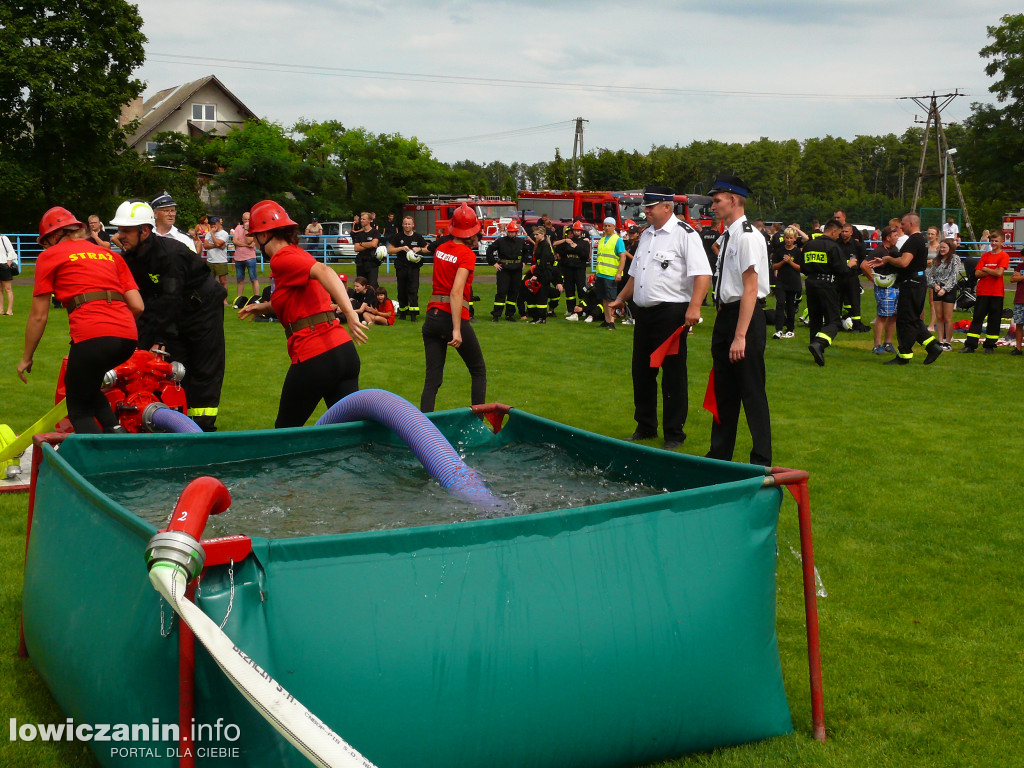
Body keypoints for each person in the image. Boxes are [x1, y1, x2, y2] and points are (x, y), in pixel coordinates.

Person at [239, 200, 367, 428]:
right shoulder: (296, 254)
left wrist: (351, 313)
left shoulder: (282, 258)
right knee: (348, 434)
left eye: (255, 235)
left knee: (285, 434)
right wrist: (265, 306)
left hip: (314, 355)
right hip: (343, 351)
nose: (254, 240)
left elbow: (325, 271)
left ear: (265, 234)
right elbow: (295, 298)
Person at [17, 207, 143, 433]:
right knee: (88, 386)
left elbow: (39, 316)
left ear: (55, 235)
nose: (45, 247)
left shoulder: (50, 256)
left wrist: (26, 357)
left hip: (91, 335)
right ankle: (117, 433)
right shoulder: (111, 256)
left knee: (78, 409)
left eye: (46, 242)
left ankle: (99, 465)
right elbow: (137, 305)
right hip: (127, 337)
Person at [606, 186, 711, 451]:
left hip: (672, 313)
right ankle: (645, 426)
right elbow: (635, 275)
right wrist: (621, 298)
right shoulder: (647, 235)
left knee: (673, 375)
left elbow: (702, 275)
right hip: (644, 314)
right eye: (646, 206)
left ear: (667, 207)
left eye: (651, 206)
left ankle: (674, 433)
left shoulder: (685, 235)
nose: (646, 210)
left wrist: (694, 308)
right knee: (641, 372)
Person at [112, 199, 227, 430]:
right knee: (173, 369)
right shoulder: (130, 259)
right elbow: (140, 302)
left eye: (126, 231)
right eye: (119, 230)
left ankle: (203, 427)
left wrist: (161, 339)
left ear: (144, 230)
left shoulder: (171, 254)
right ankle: (170, 421)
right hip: (175, 312)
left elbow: (170, 298)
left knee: (203, 370)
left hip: (203, 312)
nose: (120, 236)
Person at [705, 174, 772, 467]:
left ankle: (760, 459)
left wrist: (740, 335)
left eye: (717, 200)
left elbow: (750, 288)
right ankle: (719, 455)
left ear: (734, 200)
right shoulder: (729, 236)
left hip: (745, 317)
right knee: (723, 391)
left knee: (751, 390)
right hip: (728, 315)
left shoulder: (746, 236)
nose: (712, 206)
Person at [420, 203, 486, 413]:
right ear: (473, 231)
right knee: (478, 370)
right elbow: (456, 292)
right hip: (451, 316)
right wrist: (456, 329)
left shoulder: (440, 249)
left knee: (433, 379)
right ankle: (477, 425)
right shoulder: (467, 255)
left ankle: (422, 431)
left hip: (432, 316)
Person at [865, 213, 942, 365]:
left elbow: (904, 262)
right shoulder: (921, 240)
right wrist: (886, 262)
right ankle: (932, 347)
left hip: (912, 284)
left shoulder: (914, 240)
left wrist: (887, 259)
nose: (901, 227)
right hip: (916, 283)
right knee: (913, 319)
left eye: (903, 224)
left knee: (905, 320)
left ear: (911, 224)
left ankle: (905, 354)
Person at [803, 219, 847, 366]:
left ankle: (816, 350)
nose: (839, 236)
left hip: (810, 283)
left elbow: (803, 267)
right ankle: (819, 344)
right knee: (834, 321)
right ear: (833, 231)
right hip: (827, 284)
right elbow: (841, 270)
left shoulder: (809, 245)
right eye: (839, 233)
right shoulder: (833, 247)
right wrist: (850, 265)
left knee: (815, 319)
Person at [962, 232, 1009, 354]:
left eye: (996, 241)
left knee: (994, 319)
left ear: (1001, 242)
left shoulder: (1004, 256)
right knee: (977, 317)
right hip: (983, 291)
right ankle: (970, 345)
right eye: (992, 241)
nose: (993, 243)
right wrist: (994, 270)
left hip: (997, 292)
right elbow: (977, 273)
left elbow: (1000, 273)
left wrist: (986, 269)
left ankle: (990, 345)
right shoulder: (985, 256)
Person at [861, 225, 900, 355]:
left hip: (895, 285)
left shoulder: (894, 249)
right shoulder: (878, 251)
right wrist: (874, 279)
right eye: (895, 236)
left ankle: (888, 343)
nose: (897, 237)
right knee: (882, 315)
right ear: (888, 237)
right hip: (884, 287)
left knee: (894, 315)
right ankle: (877, 345)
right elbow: (864, 265)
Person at [485, 221, 528, 322]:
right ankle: (496, 314)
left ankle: (509, 314)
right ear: (507, 231)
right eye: (510, 232)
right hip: (504, 269)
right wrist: (493, 263)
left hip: (517, 269)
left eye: (514, 232)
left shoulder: (520, 242)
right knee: (501, 292)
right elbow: (489, 250)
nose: (512, 234)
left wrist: (524, 262)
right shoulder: (500, 241)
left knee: (513, 293)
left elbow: (526, 252)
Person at [388, 214, 428, 320]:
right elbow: (390, 250)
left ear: (413, 225)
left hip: (414, 267)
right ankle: (402, 312)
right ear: (402, 225)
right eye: (405, 224)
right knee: (401, 290)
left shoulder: (418, 237)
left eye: (409, 224)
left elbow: (427, 249)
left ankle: (413, 314)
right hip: (401, 267)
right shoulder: (398, 236)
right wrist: (401, 248)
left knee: (413, 289)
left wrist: (418, 249)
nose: (407, 226)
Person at [926, 238, 963, 351]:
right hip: (937, 289)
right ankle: (940, 340)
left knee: (947, 317)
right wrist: (935, 285)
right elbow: (929, 275)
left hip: (949, 290)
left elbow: (954, 275)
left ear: (950, 248)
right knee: (939, 317)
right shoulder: (936, 259)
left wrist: (945, 289)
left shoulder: (955, 259)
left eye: (944, 247)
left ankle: (948, 342)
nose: (942, 249)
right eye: (940, 247)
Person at [771, 227, 802, 339]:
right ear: (784, 238)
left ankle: (790, 329)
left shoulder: (797, 252)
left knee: (790, 306)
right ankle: (778, 330)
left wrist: (790, 262)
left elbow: (800, 268)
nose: (788, 240)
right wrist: (783, 262)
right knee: (780, 304)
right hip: (781, 281)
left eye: (791, 238)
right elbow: (774, 266)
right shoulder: (779, 251)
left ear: (795, 239)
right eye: (787, 238)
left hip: (793, 282)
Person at [837, 223, 869, 331]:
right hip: (839, 277)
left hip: (852, 277)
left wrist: (856, 271)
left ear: (851, 232)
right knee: (837, 301)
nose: (844, 234)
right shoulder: (836, 245)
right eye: (842, 231)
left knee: (855, 301)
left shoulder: (857, 246)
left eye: (846, 231)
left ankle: (856, 325)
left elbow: (862, 261)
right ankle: (836, 323)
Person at [555, 221, 590, 320]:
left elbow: (585, 255)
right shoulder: (568, 241)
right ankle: (570, 309)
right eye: (575, 230)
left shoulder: (584, 242)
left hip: (579, 268)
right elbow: (560, 250)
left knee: (581, 289)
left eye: (578, 230)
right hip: (568, 267)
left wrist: (576, 248)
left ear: (581, 231)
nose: (576, 232)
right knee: (569, 289)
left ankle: (582, 309)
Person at [595, 217, 624, 329]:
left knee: (611, 299)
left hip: (611, 274)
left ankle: (612, 321)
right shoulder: (602, 240)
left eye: (609, 226)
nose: (607, 228)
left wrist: (619, 272)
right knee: (604, 298)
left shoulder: (618, 240)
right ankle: (607, 320)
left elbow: (622, 257)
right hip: (601, 273)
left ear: (614, 227)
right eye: (605, 226)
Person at [232, 211, 260, 303]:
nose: (247, 221)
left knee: (253, 278)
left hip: (250, 257)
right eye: (245, 219)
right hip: (239, 257)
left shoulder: (254, 229)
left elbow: (249, 240)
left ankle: (257, 298)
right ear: (242, 219)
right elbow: (235, 241)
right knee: (240, 279)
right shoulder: (238, 228)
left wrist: (247, 229)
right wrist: (247, 245)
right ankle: (238, 300)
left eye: (249, 219)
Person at [204, 216, 230, 297]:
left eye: (214, 223)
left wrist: (212, 234)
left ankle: (224, 299)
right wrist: (217, 245)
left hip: (221, 260)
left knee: (223, 281)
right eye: (211, 224)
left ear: (219, 223)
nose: (212, 226)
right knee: (210, 281)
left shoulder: (224, 233)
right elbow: (205, 245)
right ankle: (211, 298)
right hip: (210, 260)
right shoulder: (208, 234)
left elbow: (219, 243)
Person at [352, 212, 381, 286]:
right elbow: (356, 248)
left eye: (364, 219)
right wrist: (368, 244)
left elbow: (374, 244)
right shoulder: (359, 234)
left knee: (372, 285)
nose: (361, 220)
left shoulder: (375, 232)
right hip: (361, 263)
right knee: (361, 285)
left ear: (370, 220)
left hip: (372, 262)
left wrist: (361, 243)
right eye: (361, 219)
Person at [1, 231, 18, 315]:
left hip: (4, 265)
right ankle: (1, 310)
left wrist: (8, 264)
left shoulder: (3, 238)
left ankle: (9, 310)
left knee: (8, 289)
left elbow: (11, 251)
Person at [1010, 255, 1024, 356]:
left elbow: (1017, 278)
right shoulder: (1020, 266)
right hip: (1020, 298)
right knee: (1019, 324)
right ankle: (1018, 348)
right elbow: (1013, 279)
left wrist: (1020, 278)